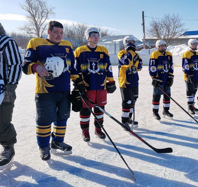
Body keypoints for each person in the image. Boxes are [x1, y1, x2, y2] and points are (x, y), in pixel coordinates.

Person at [23, 21, 81, 161]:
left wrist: (78, 84)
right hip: (45, 91)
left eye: (61, 33)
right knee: (44, 120)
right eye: (55, 32)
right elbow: (25, 66)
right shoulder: (36, 43)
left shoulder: (67, 46)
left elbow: (71, 68)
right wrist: (37, 68)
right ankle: (44, 147)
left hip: (64, 90)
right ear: (48, 31)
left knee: (62, 118)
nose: (58, 35)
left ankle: (57, 142)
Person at [74, 27, 116, 142]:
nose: (96, 37)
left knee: (100, 109)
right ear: (88, 37)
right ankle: (85, 131)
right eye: (93, 35)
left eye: (98, 35)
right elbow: (75, 69)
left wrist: (111, 81)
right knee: (85, 110)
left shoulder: (103, 50)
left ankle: (98, 129)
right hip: (87, 87)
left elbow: (108, 67)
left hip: (101, 86)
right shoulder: (79, 51)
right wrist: (78, 83)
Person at [0, 23, 22, 170]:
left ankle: (8, 147)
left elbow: (15, 64)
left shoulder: (6, 42)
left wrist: (10, 87)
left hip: (3, 90)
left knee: (2, 121)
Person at [118, 36, 142, 128]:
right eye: (129, 41)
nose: (131, 43)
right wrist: (130, 53)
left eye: (133, 41)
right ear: (125, 43)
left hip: (134, 80)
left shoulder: (137, 54)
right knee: (127, 101)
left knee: (133, 100)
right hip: (125, 81)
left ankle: (129, 118)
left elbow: (139, 66)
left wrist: (134, 57)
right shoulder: (121, 53)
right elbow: (126, 62)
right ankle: (124, 121)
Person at [149, 40, 174, 120]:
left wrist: (171, 76)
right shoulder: (154, 54)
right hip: (158, 79)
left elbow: (171, 66)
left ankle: (166, 111)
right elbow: (152, 67)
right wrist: (154, 77)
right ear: (157, 47)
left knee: (167, 95)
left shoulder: (169, 54)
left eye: (164, 45)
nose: (163, 47)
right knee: (157, 96)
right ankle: (155, 112)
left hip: (166, 78)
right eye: (161, 46)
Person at [182, 39, 198, 115]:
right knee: (190, 91)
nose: (195, 45)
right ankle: (190, 106)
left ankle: (193, 105)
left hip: (196, 75)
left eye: (196, 44)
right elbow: (185, 65)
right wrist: (188, 74)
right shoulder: (186, 54)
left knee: (194, 90)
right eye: (194, 44)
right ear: (190, 45)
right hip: (189, 76)